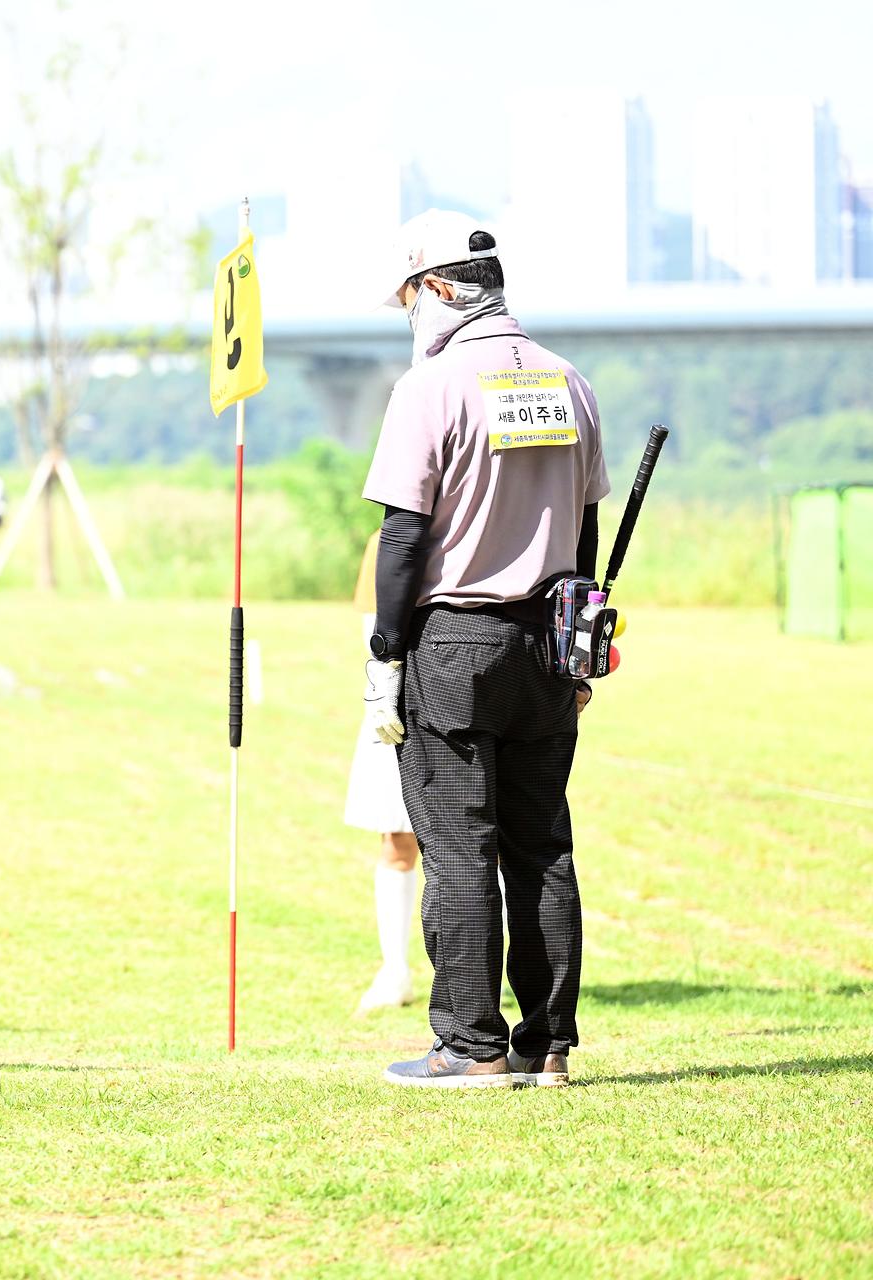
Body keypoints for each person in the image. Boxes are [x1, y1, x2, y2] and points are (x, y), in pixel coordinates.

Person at [362, 210, 609, 1090]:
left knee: (460, 847)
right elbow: (583, 523)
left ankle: (468, 1047)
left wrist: (385, 657)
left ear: (436, 289)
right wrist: (577, 646)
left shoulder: (429, 388)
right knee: (542, 844)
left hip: (454, 642)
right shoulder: (568, 380)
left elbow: (402, 536)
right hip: (550, 637)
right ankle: (548, 1047)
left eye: (407, 300)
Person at [344, 528, 419, 1014]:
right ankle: (395, 971)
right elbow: (371, 629)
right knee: (396, 840)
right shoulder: (383, 540)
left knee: (488, 844)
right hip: (395, 700)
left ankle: (493, 972)